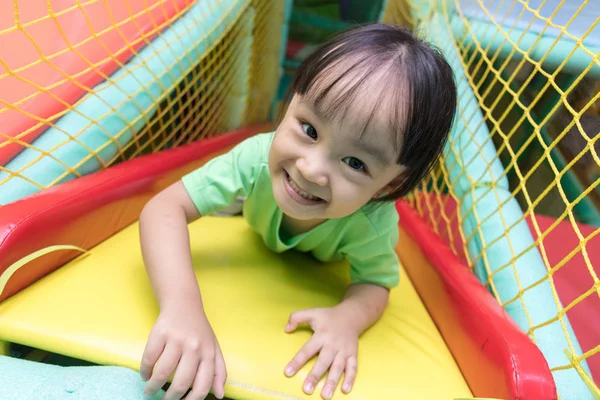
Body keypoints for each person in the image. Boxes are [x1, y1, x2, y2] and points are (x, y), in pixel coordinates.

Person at [138, 23, 457, 400]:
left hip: (320, 254)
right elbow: (163, 207)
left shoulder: (373, 222)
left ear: (387, 187)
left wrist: (347, 320)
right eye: (309, 129)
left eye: (354, 163)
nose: (310, 168)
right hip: (251, 205)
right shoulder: (255, 159)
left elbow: (375, 282)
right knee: (229, 197)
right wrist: (182, 308)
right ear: (288, 105)